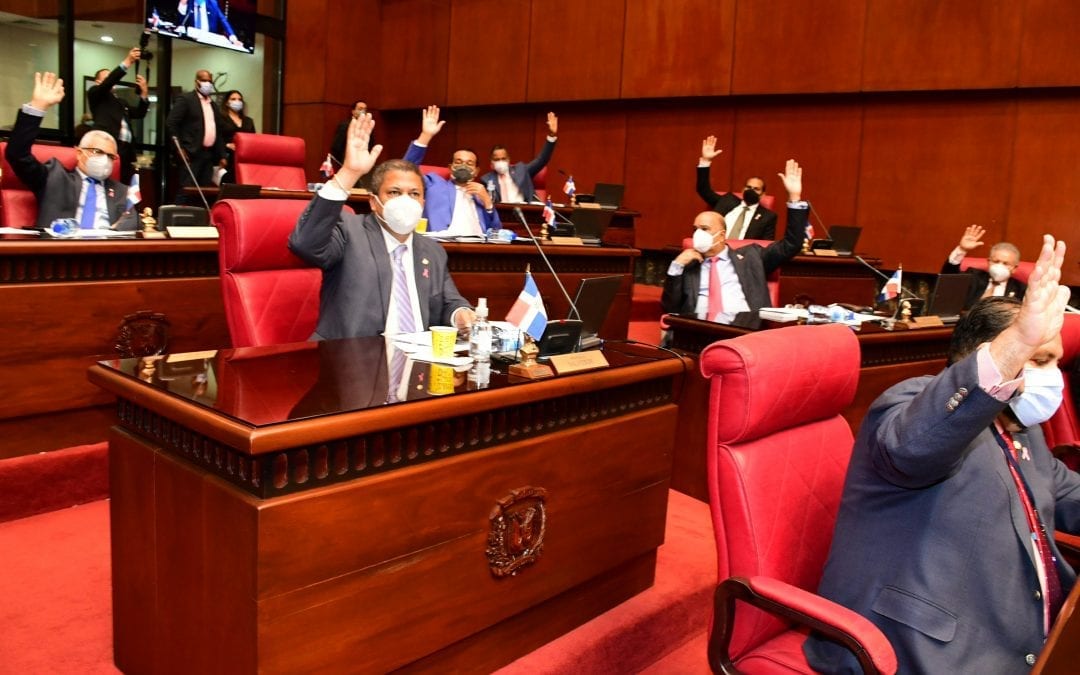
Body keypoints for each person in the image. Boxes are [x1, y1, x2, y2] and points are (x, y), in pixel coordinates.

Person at [805, 235, 1078, 674]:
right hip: (923, 650)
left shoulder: (1024, 431)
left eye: (1056, 363)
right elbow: (914, 448)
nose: (1054, 379)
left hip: (1031, 634)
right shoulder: (908, 402)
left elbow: (1066, 493)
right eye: (1039, 359)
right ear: (982, 356)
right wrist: (1015, 345)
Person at [289, 111, 476, 340]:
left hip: (418, 363)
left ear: (423, 203)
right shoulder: (349, 230)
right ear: (373, 202)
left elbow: (449, 301)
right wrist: (348, 173)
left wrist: (461, 314)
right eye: (394, 192)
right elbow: (305, 243)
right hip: (350, 361)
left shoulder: (432, 251)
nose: (405, 200)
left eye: (414, 194)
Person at [661, 159, 806, 324]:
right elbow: (669, 308)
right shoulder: (690, 264)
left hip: (742, 333)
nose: (698, 234)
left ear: (722, 235)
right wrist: (676, 267)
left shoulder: (752, 256)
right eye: (695, 230)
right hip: (698, 332)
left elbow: (791, 245)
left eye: (705, 229)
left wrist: (795, 197)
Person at [5, 72, 137, 231]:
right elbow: (16, 154)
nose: (105, 159)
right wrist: (37, 107)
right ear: (79, 153)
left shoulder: (122, 192)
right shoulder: (54, 177)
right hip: (60, 252)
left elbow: (133, 225)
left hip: (107, 252)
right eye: (97, 151)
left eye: (110, 156)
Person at [402, 106, 501, 234]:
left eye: (469, 163)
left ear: (476, 171)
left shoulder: (481, 195)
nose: (463, 166)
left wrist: (487, 202)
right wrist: (425, 136)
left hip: (478, 247)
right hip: (443, 245)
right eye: (458, 162)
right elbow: (405, 170)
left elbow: (496, 232)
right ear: (450, 167)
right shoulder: (433, 183)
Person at [694, 135, 777, 240]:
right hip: (715, 250)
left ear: (763, 194)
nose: (751, 190)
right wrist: (705, 161)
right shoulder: (727, 200)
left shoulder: (767, 217)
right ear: (743, 190)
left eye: (756, 189)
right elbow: (703, 190)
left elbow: (766, 246)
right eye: (748, 187)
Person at [87, 47, 149, 182]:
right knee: (108, 181)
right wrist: (128, 61)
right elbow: (108, 82)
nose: (112, 81)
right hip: (108, 145)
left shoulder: (121, 102)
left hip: (126, 150)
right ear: (98, 82)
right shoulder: (96, 94)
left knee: (125, 184)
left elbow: (139, 113)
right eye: (108, 78)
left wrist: (144, 94)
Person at [166, 69, 226, 204]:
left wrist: (222, 155)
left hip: (208, 155)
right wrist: (179, 148)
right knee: (187, 190)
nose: (208, 84)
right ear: (196, 82)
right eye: (204, 81)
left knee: (204, 192)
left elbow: (218, 131)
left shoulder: (213, 105)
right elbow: (171, 123)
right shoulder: (186, 99)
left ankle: (197, 222)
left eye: (210, 81)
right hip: (190, 154)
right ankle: (177, 221)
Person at [478, 112, 559, 203]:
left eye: (503, 159)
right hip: (502, 214)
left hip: (526, 211)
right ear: (491, 162)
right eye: (497, 159)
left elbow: (542, 159)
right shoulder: (486, 179)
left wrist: (552, 135)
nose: (500, 161)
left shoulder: (521, 170)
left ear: (508, 160)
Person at [943, 224, 1027, 309]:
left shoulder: (1022, 289)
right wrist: (962, 249)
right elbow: (948, 278)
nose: (999, 266)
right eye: (996, 261)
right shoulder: (973, 276)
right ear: (989, 262)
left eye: (1005, 263)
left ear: (1014, 268)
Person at [218, 90, 255, 184]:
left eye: (239, 99)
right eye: (233, 99)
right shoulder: (221, 119)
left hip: (244, 159)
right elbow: (217, 138)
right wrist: (226, 145)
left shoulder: (248, 121)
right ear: (226, 102)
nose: (237, 102)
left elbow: (253, 139)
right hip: (227, 158)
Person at [177, 0, 243, 46]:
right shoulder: (188, 3)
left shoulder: (212, 3)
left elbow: (223, 20)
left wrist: (234, 39)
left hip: (208, 40)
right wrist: (182, 3)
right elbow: (181, 22)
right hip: (190, 40)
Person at [330, 100, 373, 166]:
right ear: (353, 111)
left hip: (363, 163)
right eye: (360, 109)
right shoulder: (345, 125)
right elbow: (336, 146)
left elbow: (371, 145)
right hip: (347, 163)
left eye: (365, 109)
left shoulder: (367, 126)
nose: (363, 112)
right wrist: (344, 160)